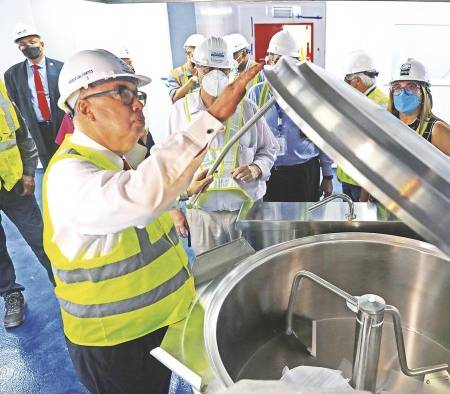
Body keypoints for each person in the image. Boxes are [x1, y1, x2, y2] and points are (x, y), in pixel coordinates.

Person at [43, 48, 262, 393]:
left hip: (154, 325)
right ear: (83, 106)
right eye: (122, 94)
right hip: (115, 343)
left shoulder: (115, 161)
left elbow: (135, 208)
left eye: (137, 95)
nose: (137, 105)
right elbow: (142, 198)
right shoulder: (69, 174)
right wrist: (214, 116)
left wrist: (181, 193)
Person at [168, 37, 276, 254]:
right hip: (203, 214)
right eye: (208, 69)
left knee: (249, 272)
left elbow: (269, 149)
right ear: (196, 70)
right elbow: (169, 166)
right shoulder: (181, 112)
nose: (215, 76)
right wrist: (173, 209)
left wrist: (256, 168)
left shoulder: (248, 109)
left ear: (231, 71)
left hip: (245, 212)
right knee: (211, 276)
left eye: (223, 70)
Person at [249, 30, 334, 202]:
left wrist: (327, 175)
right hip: (268, 172)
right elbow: (249, 136)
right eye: (278, 60)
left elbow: (323, 137)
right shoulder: (257, 93)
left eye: (289, 62)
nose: (284, 67)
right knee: (271, 225)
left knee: (306, 224)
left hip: (304, 172)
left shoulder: (311, 95)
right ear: (269, 59)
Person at [0, 79, 55, 328]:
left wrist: (30, 171)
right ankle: (10, 294)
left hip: (13, 182)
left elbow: (21, 133)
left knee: (40, 237)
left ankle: (66, 284)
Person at [54, 46, 155, 155]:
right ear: (86, 109)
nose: (139, 104)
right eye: (122, 94)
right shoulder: (72, 168)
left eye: (136, 94)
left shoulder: (116, 151)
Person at [389, 58, 450, 174]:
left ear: (424, 92)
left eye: (411, 86)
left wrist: (441, 188)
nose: (403, 92)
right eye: (397, 87)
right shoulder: (388, 121)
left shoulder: (435, 129)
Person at [4, 22, 64, 168]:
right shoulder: (12, 74)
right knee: (47, 167)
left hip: (61, 126)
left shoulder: (61, 68)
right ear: (20, 48)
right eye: (23, 44)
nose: (28, 46)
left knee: (68, 163)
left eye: (32, 42)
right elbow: (15, 106)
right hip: (36, 129)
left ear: (42, 43)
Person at [340, 50, 389, 201]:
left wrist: (366, 192)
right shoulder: (357, 99)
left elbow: (378, 152)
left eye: (347, 80)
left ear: (357, 81)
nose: (345, 83)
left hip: (363, 185)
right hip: (348, 178)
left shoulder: (380, 104)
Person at [167, 33, 204, 103]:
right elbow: (174, 98)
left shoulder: (206, 71)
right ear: (188, 52)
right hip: (185, 113)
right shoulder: (175, 74)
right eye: (196, 54)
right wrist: (191, 81)